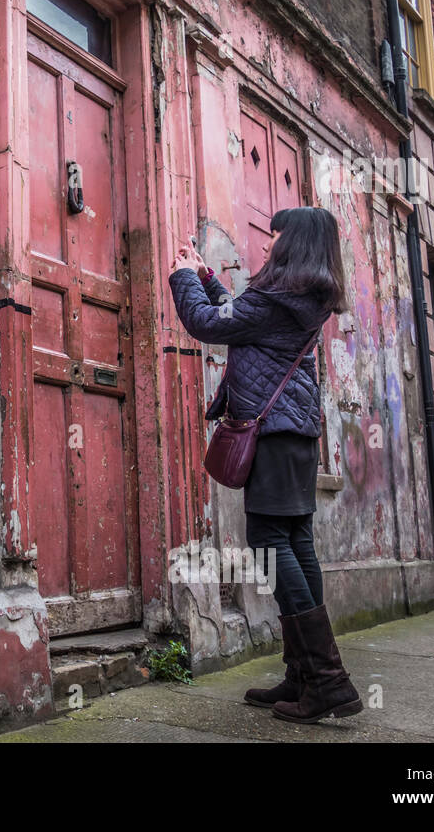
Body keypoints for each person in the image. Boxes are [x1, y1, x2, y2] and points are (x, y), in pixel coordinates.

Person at [168, 206, 362, 724]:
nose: (265, 244)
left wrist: (183, 277)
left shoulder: (277, 297)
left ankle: (327, 680)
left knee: (270, 540)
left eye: (273, 236)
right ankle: (304, 673)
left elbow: (209, 325)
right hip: (297, 437)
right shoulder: (300, 298)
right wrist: (207, 276)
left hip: (273, 436)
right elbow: (240, 319)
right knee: (296, 541)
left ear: (291, 243)